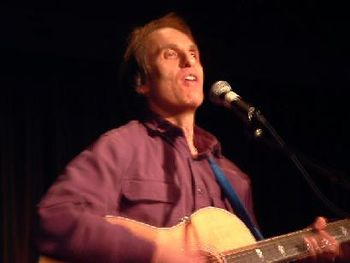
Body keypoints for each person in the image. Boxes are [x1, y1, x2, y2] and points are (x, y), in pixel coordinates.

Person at [36, 13, 349, 263]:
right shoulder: (121, 147)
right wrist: (155, 253)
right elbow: (55, 217)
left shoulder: (234, 178)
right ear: (143, 82)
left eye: (194, 54)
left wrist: (306, 255)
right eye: (171, 55)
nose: (189, 63)